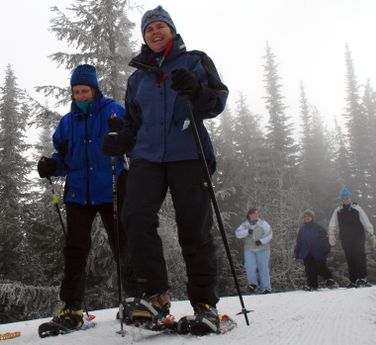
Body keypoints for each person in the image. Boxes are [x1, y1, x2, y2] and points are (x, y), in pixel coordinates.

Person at [102, 6, 228, 334]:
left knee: (193, 227)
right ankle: (155, 298)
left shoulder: (194, 61)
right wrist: (120, 138)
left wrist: (196, 91)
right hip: (146, 157)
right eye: (149, 29)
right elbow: (132, 122)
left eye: (160, 26)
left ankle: (205, 306)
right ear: (144, 36)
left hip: (188, 153)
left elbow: (216, 101)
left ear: (171, 30)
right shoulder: (137, 79)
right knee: (134, 217)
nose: (155, 32)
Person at [37, 64, 134, 331]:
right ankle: (72, 308)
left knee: (122, 243)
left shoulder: (111, 110)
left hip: (111, 185)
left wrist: (122, 136)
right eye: (76, 91)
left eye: (84, 90)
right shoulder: (68, 123)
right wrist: (51, 166)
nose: (80, 96)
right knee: (75, 249)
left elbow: (130, 138)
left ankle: (135, 300)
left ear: (94, 90)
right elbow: (64, 159)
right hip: (78, 192)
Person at [328, 187, 376, 288]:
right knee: (350, 258)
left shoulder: (357, 208)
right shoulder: (338, 210)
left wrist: (372, 235)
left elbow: (365, 221)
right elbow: (332, 223)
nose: (345, 199)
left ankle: (362, 279)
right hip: (345, 238)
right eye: (343, 198)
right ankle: (353, 280)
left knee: (360, 256)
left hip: (358, 236)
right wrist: (331, 234)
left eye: (347, 197)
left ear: (350, 198)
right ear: (341, 199)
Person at [294, 209, 336, 291]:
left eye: (309, 217)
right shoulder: (302, 230)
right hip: (306, 253)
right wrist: (297, 252)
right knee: (309, 270)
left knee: (322, 267)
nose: (307, 218)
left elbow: (325, 239)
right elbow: (299, 242)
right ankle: (312, 285)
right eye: (305, 217)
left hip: (318, 252)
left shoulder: (318, 228)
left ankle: (330, 281)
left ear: (312, 218)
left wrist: (326, 249)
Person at [235, 208, 273, 294]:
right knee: (249, 266)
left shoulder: (263, 223)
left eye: (257, 213)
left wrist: (261, 241)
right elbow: (237, 234)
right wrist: (247, 231)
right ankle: (253, 284)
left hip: (263, 249)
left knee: (263, 268)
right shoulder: (245, 225)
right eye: (254, 213)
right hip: (249, 249)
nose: (256, 215)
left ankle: (266, 288)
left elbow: (270, 234)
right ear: (249, 215)